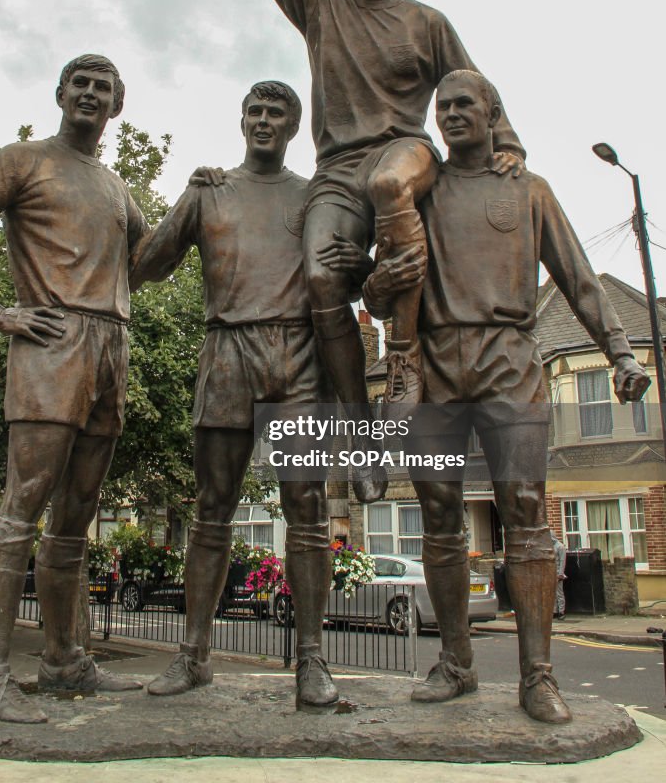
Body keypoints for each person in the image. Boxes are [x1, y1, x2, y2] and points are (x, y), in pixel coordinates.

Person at [232, 0, 526, 476]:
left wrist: (507, 140)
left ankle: (403, 355)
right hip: (337, 167)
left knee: (390, 181)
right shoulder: (321, 8)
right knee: (319, 274)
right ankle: (361, 431)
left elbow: (471, 85)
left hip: (404, 152)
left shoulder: (426, 22)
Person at [363, 69, 650, 723]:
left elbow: (578, 278)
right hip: (434, 361)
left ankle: (538, 676)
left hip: (509, 357)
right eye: (444, 107)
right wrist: (382, 284)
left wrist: (621, 352)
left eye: (467, 104)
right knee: (438, 516)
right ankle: (455, 664)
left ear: (494, 114)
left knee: (524, 507)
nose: (454, 114)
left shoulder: (530, 191)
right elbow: (379, 295)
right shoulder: (419, 194)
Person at [130, 80, 370, 708]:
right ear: (241, 121)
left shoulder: (316, 194)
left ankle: (312, 662)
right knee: (212, 509)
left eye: (277, 113)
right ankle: (194, 654)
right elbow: (147, 263)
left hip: (299, 357)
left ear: (293, 127)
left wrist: (364, 266)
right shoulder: (212, 190)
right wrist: (168, 196)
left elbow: (356, 270)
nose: (264, 121)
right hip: (228, 351)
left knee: (309, 512)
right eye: (255, 111)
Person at [0, 55, 146, 723]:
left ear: (117, 106)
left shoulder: (116, 187)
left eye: (102, 88)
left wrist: (205, 196)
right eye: (79, 84)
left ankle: (62, 661)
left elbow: (148, 260)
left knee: (78, 517)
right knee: (22, 506)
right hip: (51, 346)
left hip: (112, 345)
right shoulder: (23, 160)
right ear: (59, 94)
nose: (89, 93)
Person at [551, 532, 567, 619]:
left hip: (557, 573)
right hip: (551, 573)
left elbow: (562, 561)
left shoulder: (560, 547)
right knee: (552, 593)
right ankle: (554, 611)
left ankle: (561, 612)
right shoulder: (550, 546)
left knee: (559, 593)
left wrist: (560, 574)